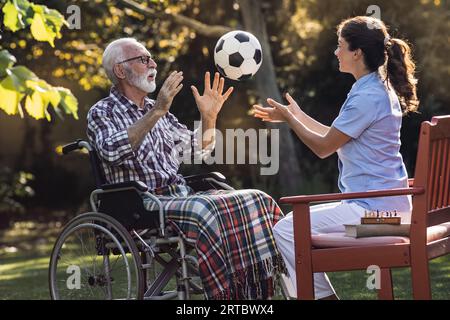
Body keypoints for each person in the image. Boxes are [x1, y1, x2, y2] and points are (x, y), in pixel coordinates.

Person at [87, 38, 284, 299]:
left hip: (178, 196)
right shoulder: (103, 111)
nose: (153, 64)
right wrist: (156, 111)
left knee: (259, 199)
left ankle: (258, 290)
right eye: (143, 59)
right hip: (141, 206)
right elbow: (111, 151)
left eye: (151, 57)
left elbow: (198, 149)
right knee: (205, 209)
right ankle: (227, 295)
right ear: (120, 70)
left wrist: (209, 117)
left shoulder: (159, 112)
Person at [253, 16, 419, 299]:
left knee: (285, 231)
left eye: (340, 46)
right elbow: (334, 136)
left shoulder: (367, 96)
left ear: (357, 52)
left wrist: (291, 120)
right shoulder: (373, 88)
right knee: (289, 229)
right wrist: (294, 115)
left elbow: (323, 148)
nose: (336, 52)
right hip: (392, 213)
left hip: (378, 220)